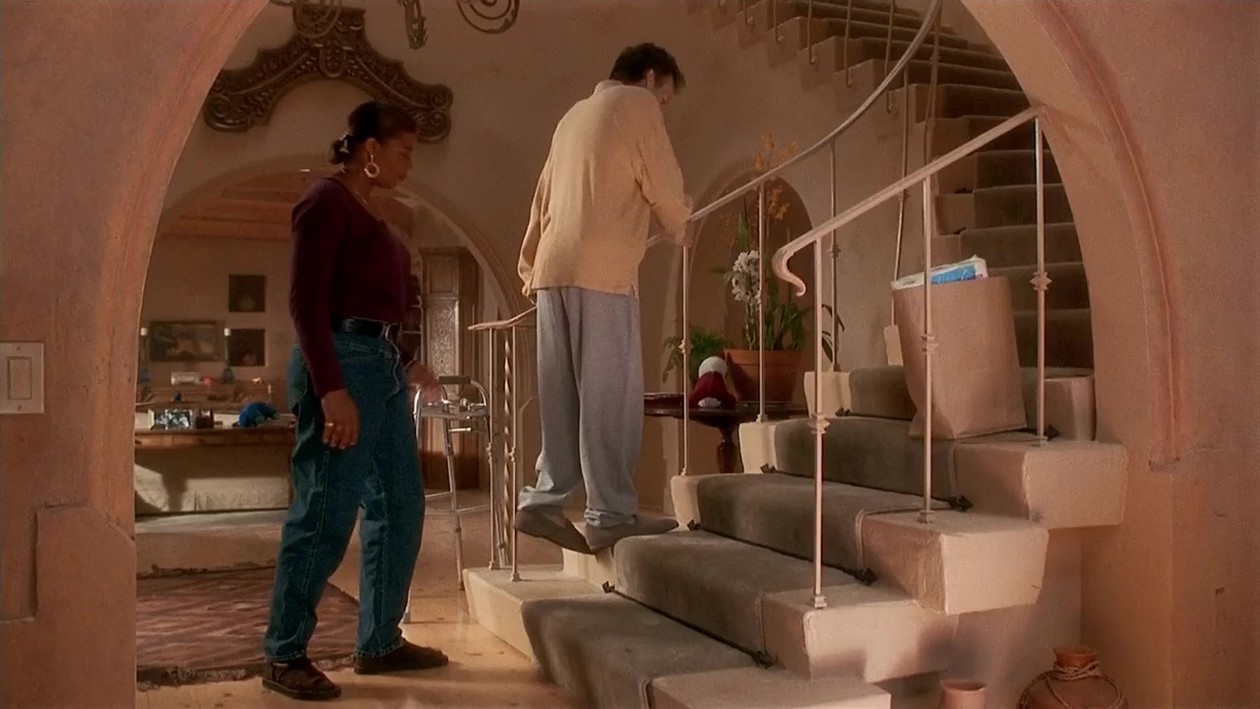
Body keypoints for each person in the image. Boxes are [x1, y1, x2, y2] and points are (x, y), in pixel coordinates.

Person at [262, 100, 448, 701]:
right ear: (371, 149)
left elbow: (377, 308)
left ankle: (380, 642)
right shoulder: (325, 201)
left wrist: (406, 360)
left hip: (381, 365)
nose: (408, 164)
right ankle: (284, 653)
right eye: (403, 152)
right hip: (341, 365)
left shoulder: (372, 214)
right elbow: (306, 301)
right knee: (325, 511)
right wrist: (331, 388)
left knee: (401, 506)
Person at [516, 43, 694, 555]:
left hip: (554, 268)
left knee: (562, 395)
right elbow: (662, 180)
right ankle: (610, 514)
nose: (662, 109)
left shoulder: (573, 116)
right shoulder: (636, 104)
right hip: (602, 272)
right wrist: (681, 223)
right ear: (652, 77)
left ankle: (544, 500)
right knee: (609, 395)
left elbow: (542, 198)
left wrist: (530, 267)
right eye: (665, 99)